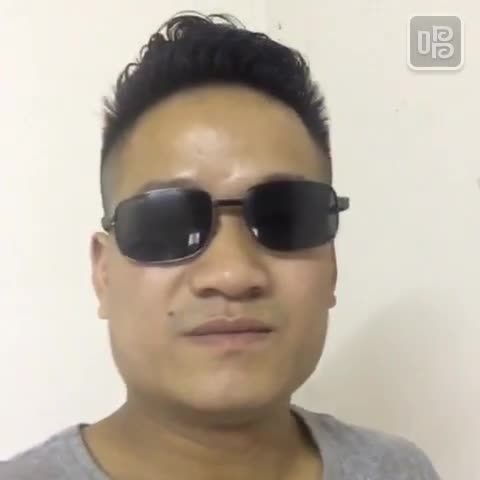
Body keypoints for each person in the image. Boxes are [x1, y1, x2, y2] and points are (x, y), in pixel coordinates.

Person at [1, 12, 441, 480]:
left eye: (283, 217)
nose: (232, 274)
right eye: (167, 222)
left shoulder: (399, 470)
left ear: (331, 266)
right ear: (103, 274)